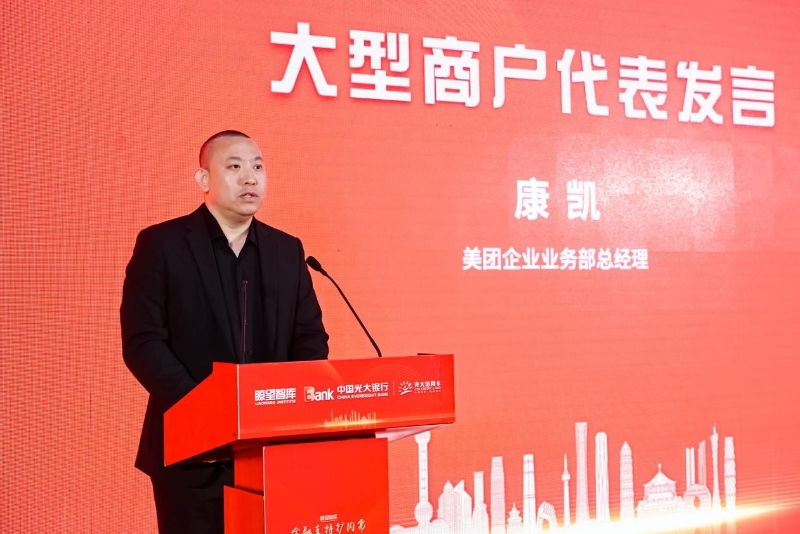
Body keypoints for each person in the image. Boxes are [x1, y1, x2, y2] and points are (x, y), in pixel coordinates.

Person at [120, 130, 329, 534]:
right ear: (204, 179)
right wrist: (207, 410)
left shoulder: (287, 250)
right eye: (234, 167)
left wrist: (290, 404)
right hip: (191, 454)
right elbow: (143, 342)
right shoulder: (162, 244)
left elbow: (310, 338)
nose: (250, 178)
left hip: (272, 452)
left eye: (258, 167)